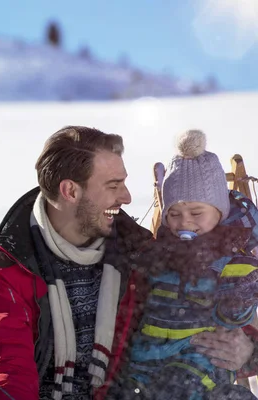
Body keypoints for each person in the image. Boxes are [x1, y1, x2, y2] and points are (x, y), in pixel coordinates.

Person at [0, 126, 258, 400]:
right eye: (114, 185)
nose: (128, 197)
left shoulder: (139, 252)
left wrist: (248, 350)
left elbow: (203, 312)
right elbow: (4, 369)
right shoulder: (6, 272)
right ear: (71, 192)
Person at [110, 130, 258, 400]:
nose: (185, 222)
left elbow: (231, 319)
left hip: (199, 354)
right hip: (150, 351)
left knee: (179, 389)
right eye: (174, 214)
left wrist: (242, 296)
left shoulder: (233, 258)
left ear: (220, 211)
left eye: (196, 213)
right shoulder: (160, 250)